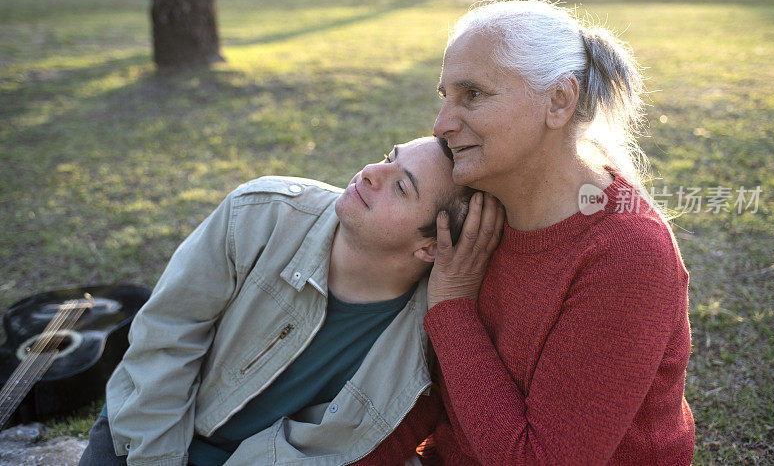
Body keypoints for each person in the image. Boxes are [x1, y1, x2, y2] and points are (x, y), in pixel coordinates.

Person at [361, 0, 695, 464]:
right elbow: (429, 394)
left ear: (558, 100)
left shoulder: (629, 256)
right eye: (446, 97)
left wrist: (453, 304)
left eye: (473, 94)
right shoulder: (482, 207)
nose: (441, 125)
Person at [78, 136, 485, 466]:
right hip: (145, 433)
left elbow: (331, 449)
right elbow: (165, 341)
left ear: (431, 247)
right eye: (387, 157)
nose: (371, 173)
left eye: (401, 186)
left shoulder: (423, 345)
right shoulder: (259, 214)